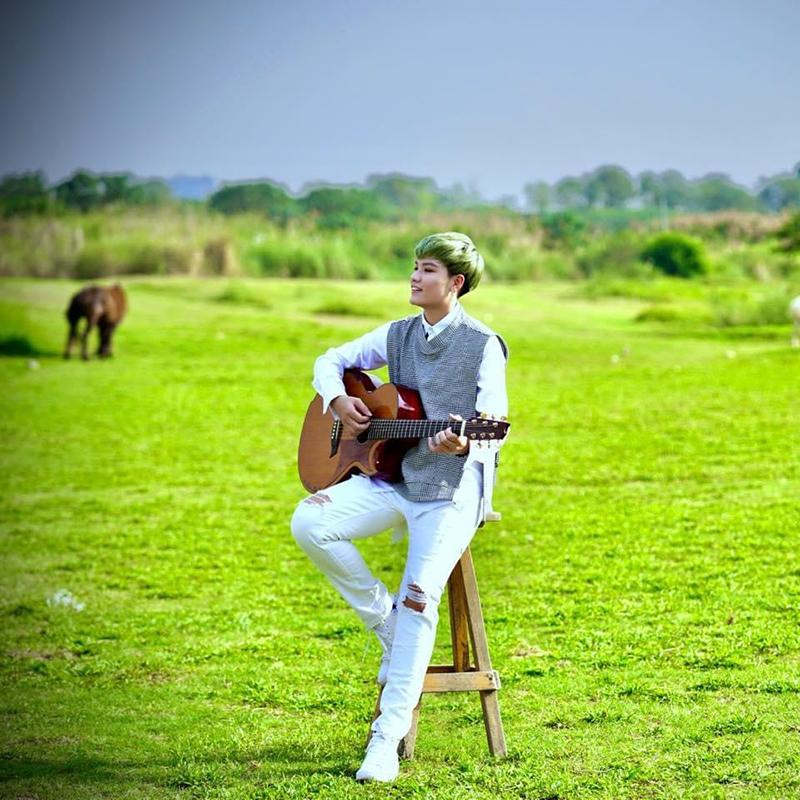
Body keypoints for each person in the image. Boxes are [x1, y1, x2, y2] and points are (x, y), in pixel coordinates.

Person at [291, 231, 508, 783]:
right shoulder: (399, 334)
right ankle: (382, 622)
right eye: (414, 267)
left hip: (452, 492)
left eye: (428, 270)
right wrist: (339, 398)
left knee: (418, 598)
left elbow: (494, 429)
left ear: (455, 283)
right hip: (393, 477)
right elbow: (330, 359)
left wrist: (463, 440)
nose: (415, 277)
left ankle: (384, 743)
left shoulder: (484, 344)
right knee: (311, 520)